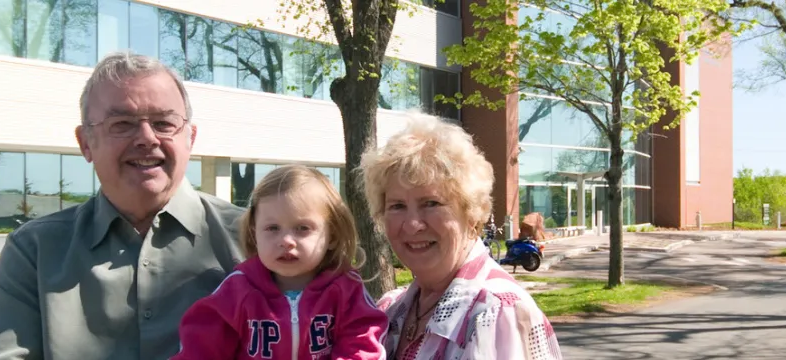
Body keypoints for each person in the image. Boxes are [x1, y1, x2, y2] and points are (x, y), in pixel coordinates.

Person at [0, 52, 246, 359]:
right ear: (86, 143)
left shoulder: (252, 239)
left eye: (164, 123)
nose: (146, 138)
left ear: (190, 139)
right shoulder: (34, 251)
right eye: (122, 123)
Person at [359, 117, 562, 359]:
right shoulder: (391, 308)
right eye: (397, 206)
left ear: (471, 213)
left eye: (431, 203)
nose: (412, 225)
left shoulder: (496, 313)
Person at [171, 165, 388, 360]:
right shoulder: (237, 289)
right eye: (272, 228)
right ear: (254, 233)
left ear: (331, 236)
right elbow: (201, 345)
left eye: (303, 228)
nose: (286, 241)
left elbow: (363, 339)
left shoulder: (345, 289)